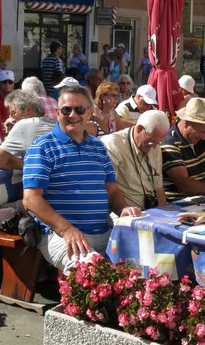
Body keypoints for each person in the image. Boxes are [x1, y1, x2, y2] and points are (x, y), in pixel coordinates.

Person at [22, 85, 141, 273]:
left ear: (90, 113)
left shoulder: (98, 147)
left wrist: (124, 209)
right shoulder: (42, 147)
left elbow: (112, 191)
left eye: (79, 109)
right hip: (62, 235)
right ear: (57, 112)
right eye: (66, 110)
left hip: (104, 232)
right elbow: (31, 199)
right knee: (97, 277)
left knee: (143, 268)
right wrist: (67, 230)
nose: (73, 115)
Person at [101, 110, 170, 210]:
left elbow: (159, 188)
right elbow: (110, 189)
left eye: (158, 142)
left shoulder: (155, 145)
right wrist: (125, 211)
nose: (155, 147)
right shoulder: (113, 145)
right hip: (124, 213)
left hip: (151, 212)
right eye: (151, 142)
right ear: (139, 129)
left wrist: (165, 214)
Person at [0, 90, 54, 171]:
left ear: (28, 109)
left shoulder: (23, 125)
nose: (11, 118)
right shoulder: (54, 123)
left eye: (13, 113)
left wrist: (30, 163)